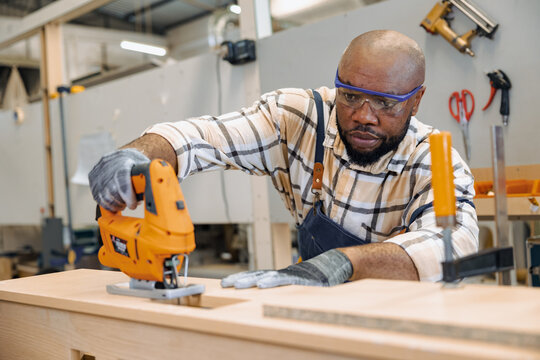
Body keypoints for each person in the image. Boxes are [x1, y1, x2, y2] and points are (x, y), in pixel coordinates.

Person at [89, 30, 479, 289]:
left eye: (384, 102)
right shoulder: (299, 117)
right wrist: (137, 155)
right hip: (318, 314)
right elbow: (204, 137)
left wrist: (344, 263)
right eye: (350, 96)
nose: (363, 115)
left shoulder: (433, 159)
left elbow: (453, 246)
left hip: (401, 321)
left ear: (416, 100)